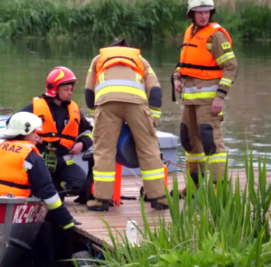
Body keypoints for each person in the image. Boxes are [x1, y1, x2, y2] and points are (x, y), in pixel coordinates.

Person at [84, 39, 168, 211]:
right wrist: (153, 121)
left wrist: (97, 116)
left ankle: (101, 200)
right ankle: (158, 198)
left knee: (104, 150)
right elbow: (155, 92)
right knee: (148, 149)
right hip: (136, 104)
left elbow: (88, 92)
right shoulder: (140, 60)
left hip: (106, 103)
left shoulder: (98, 59)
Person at [172, 0, 237, 197]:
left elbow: (231, 67)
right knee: (188, 141)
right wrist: (176, 77)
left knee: (211, 142)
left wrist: (220, 96)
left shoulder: (216, 36)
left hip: (210, 102)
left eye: (207, 12)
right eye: (199, 12)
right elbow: (184, 63)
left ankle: (220, 191)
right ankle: (195, 187)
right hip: (189, 100)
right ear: (191, 14)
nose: (203, 16)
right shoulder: (190, 32)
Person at [0, 111, 81, 229]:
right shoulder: (31, 156)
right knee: (48, 226)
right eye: (34, 132)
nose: (36, 137)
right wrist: (67, 221)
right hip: (14, 208)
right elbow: (48, 193)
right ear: (26, 133)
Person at [19, 66, 94, 203]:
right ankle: (49, 190)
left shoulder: (74, 110)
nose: (70, 93)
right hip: (41, 161)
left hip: (64, 161)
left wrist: (82, 144)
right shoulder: (35, 107)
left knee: (80, 184)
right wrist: (30, 136)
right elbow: (13, 124)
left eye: (71, 89)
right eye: (66, 89)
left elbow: (89, 132)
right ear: (54, 89)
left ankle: (55, 188)